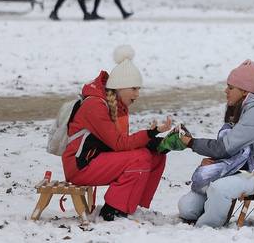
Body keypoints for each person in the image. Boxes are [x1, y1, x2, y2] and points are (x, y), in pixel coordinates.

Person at [62, 46, 172, 221]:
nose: (137, 94)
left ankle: (133, 205)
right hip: (80, 166)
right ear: (119, 87)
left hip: (97, 159)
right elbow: (119, 144)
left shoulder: (116, 105)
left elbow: (119, 143)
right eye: (134, 88)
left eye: (138, 89)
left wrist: (153, 143)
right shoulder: (95, 106)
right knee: (141, 158)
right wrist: (150, 134)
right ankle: (113, 209)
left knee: (156, 156)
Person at [177, 60, 254, 228]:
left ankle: (207, 227)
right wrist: (216, 162)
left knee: (220, 188)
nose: (226, 91)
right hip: (242, 169)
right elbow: (235, 150)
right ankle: (209, 211)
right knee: (187, 207)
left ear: (244, 91)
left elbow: (224, 147)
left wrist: (191, 143)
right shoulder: (244, 108)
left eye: (230, 87)